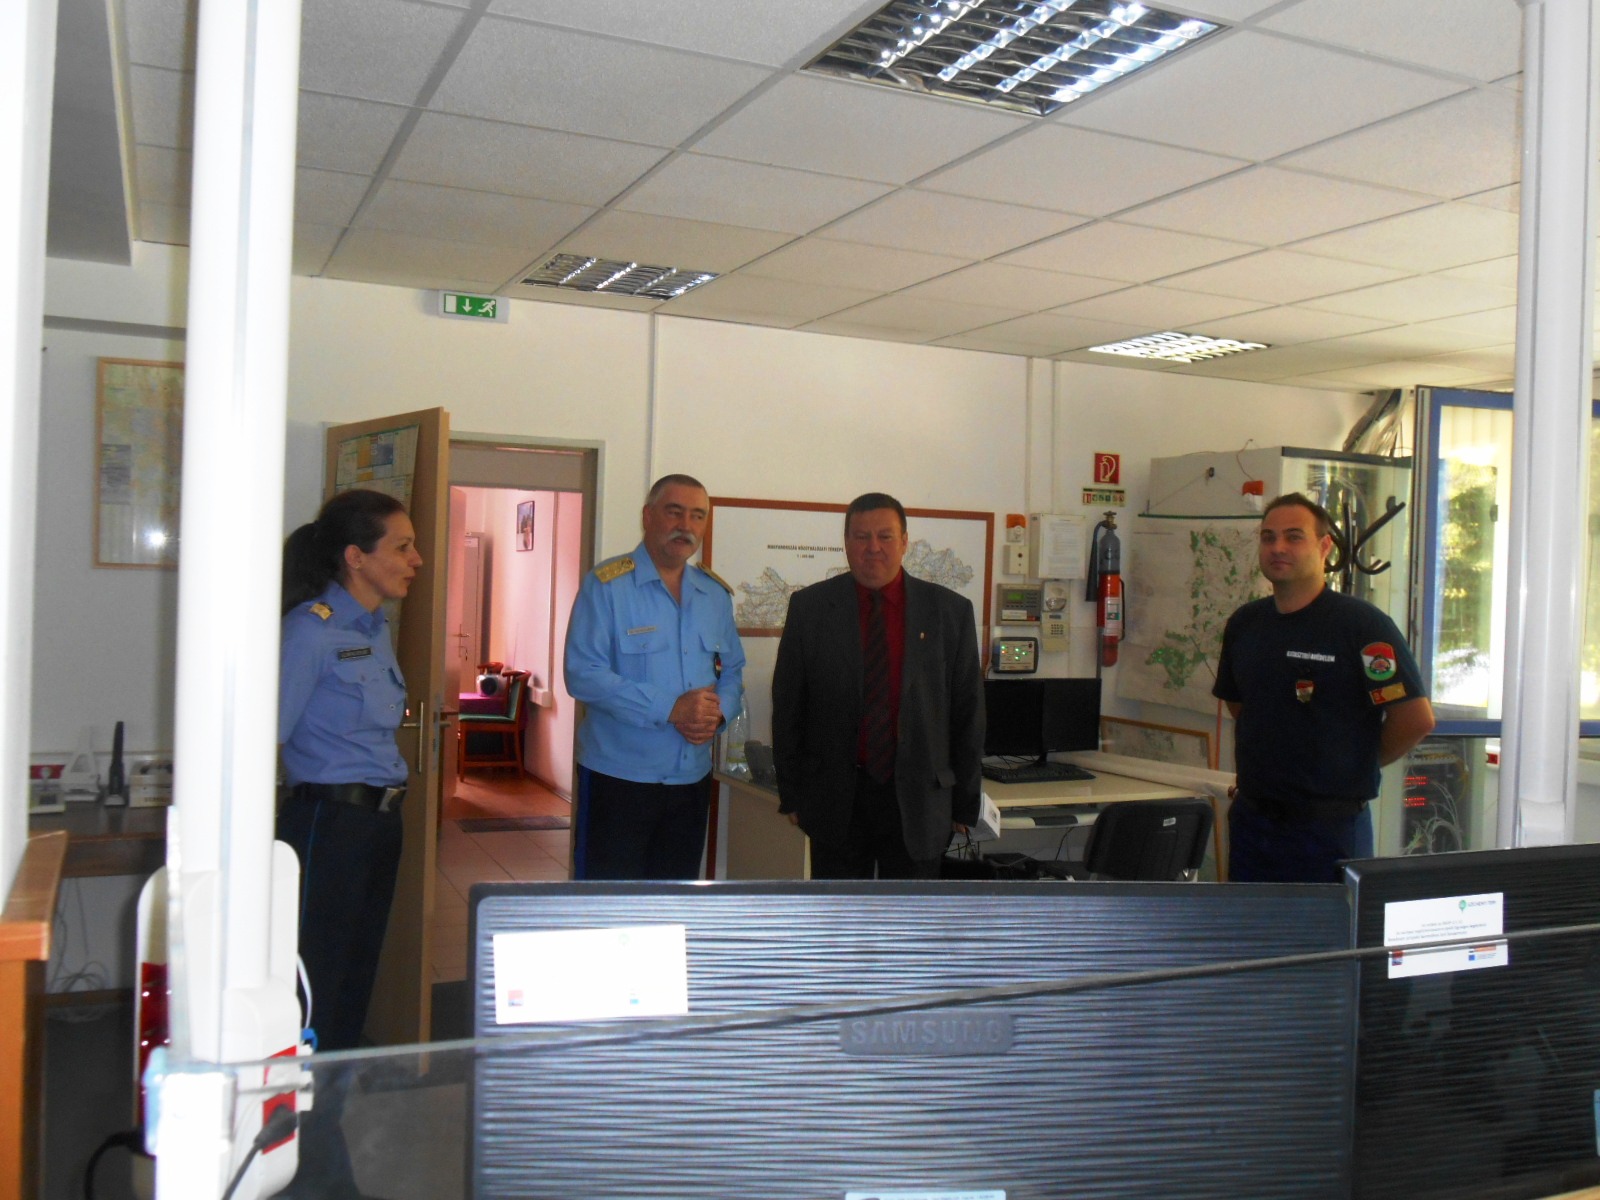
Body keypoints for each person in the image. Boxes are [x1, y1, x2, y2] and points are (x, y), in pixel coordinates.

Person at [276, 487, 421, 1198]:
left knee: (351, 990)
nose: (416, 560)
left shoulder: (374, 626)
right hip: (327, 828)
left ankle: (323, 1136)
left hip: (376, 827)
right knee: (314, 992)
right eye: (403, 547)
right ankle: (296, 1153)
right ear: (356, 557)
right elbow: (266, 736)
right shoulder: (311, 631)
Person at [1213, 492, 1435, 884]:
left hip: (1329, 831)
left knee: (1332, 925)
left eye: (1294, 536)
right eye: (1268, 537)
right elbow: (1240, 704)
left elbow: (1414, 719)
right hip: (1254, 825)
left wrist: (1352, 763)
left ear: (1324, 546)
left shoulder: (1361, 626)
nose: (1278, 547)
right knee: (1250, 925)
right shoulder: (1245, 624)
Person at [772, 493, 984, 879]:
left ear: (904, 542)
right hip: (836, 800)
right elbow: (788, 706)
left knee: (910, 915)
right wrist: (792, 793)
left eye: (885, 536)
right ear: (846, 542)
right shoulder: (810, 608)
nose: (873, 547)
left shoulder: (949, 612)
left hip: (920, 802)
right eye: (861, 536)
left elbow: (968, 713)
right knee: (838, 913)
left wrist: (965, 804)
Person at [564, 473, 745, 879]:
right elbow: (583, 674)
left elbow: (732, 670)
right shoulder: (607, 586)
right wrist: (670, 709)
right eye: (674, 512)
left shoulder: (714, 595)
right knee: (607, 902)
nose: (686, 525)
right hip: (618, 780)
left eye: (697, 515)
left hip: (691, 779)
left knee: (673, 902)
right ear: (648, 516)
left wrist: (716, 715)